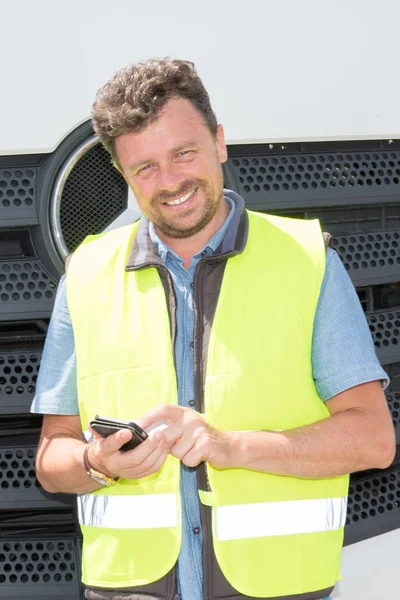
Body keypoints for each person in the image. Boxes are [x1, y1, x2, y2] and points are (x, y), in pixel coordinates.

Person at [32, 58, 395, 600]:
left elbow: (373, 440)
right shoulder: (84, 276)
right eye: (145, 168)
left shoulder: (308, 261)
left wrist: (232, 445)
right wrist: (96, 462)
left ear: (220, 141)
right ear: (122, 175)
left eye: (184, 153)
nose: (171, 182)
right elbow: (51, 458)